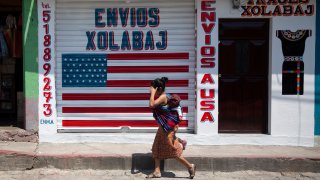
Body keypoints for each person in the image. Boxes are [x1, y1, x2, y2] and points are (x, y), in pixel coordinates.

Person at [147, 77, 196, 179]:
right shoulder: (163, 96)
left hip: (167, 130)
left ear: (158, 89)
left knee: (172, 151)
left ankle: (190, 166)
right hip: (162, 128)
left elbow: (151, 105)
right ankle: (157, 171)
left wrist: (152, 93)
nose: (149, 89)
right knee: (156, 148)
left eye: (152, 88)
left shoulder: (163, 97)